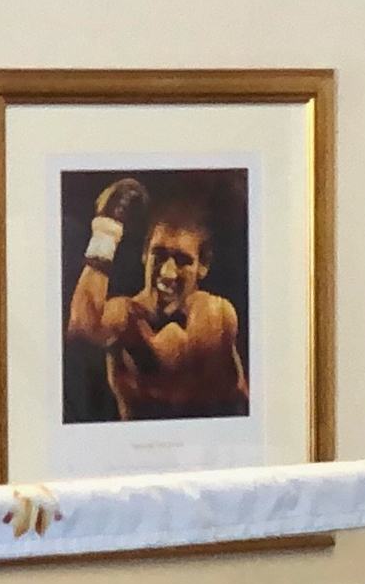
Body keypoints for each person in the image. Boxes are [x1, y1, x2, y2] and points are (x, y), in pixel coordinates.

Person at [66, 177, 249, 420]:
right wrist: (105, 233)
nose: (168, 272)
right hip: (136, 452)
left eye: (183, 260)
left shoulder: (216, 313)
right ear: (144, 255)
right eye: (159, 255)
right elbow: (80, 330)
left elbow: (172, 358)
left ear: (202, 266)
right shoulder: (123, 313)